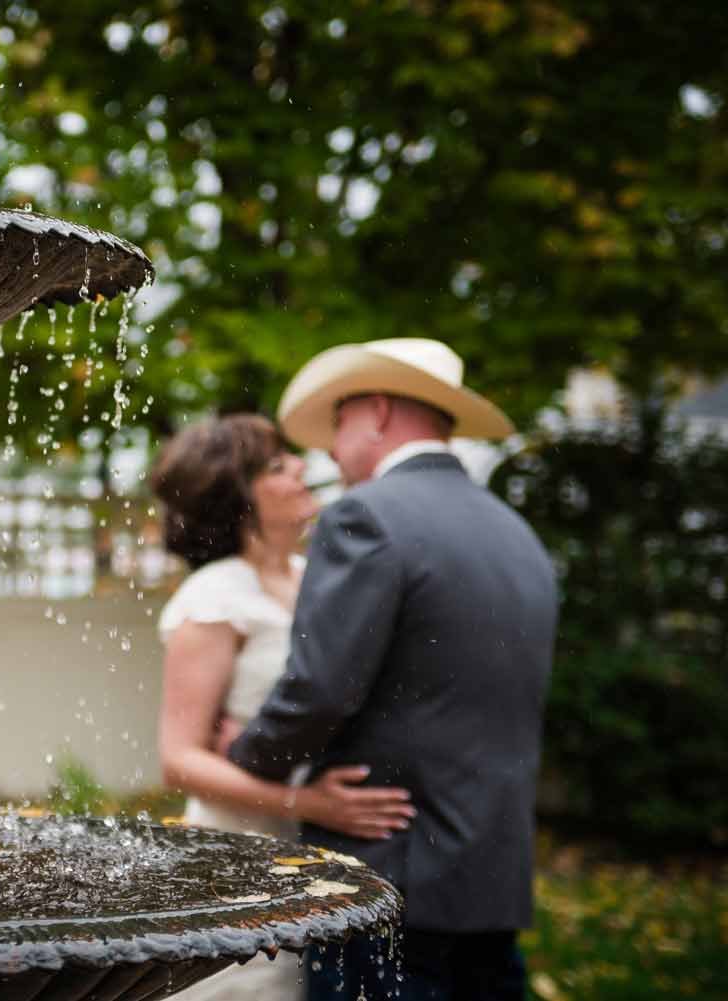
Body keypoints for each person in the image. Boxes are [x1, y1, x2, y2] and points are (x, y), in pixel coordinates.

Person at [224, 338, 559, 1001]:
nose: (328, 451)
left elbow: (320, 687)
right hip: (491, 884)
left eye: (339, 423)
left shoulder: (367, 515)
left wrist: (244, 755)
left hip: (391, 884)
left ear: (375, 411)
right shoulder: (519, 535)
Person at [149, 413, 417, 1001]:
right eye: (277, 465)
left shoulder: (318, 575)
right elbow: (179, 760)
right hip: (241, 864)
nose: (302, 467)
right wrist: (306, 802)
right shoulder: (216, 596)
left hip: (337, 857)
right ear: (240, 497)